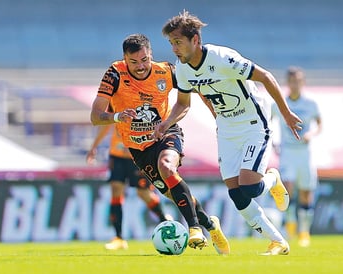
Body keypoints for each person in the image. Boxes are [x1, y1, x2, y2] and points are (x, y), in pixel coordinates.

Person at [157, 11, 302, 255]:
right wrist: (167, 122)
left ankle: (273, 179)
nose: (174, 48)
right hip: (226, 128)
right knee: (236, 192)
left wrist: (286, 114)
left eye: (178, 42)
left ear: (195, 40)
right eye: (171, 43)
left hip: (254, 122)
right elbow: (183, 103)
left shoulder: (223, 57)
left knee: (249, 186)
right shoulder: (182, 69)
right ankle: (277, 241)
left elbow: (265, 76)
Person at [90, 33, 230, 255]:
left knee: (167, 167)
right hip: (138, 149)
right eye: (134, 62)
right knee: (173, 193)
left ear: (151, 54)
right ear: (125, 58)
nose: (140, 66)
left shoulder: (166, 71)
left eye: (144, 60)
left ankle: (194, 228)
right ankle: (211, 225)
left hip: (165, 132)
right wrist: (117, 117)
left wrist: (214, 114)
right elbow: (96, 115)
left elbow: (195, 91)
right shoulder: (115, 73)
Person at [86, 124, 172, 250]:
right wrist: (94, 146)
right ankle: (118, 237)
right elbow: (105, 124)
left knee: (143, 193)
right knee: (116, 189)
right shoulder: (115, 104)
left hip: (138, 155)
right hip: (117, 155)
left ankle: (164, 219)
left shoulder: (144, 105)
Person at [272, 66, 322, 247]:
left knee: (306, 192)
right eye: (292, 81)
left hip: (305, 154)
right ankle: (291, 224)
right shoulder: (279, 103)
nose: (295, 84)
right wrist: (273, 142)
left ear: (303, 82)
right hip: (288, 153)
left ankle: (304, 232)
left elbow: (319, 125)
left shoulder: (311, 103)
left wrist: (311, 134)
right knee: (288, 188)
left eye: (298, 81)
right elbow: (269, 123)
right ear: (288, 83)